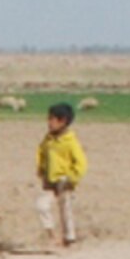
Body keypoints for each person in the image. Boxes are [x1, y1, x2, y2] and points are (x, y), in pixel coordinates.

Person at [34, 100, 85, 247]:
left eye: (52, 119)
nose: (49, 122)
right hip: (50, 180)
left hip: (64, 180)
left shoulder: (70, 142)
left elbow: (81, 163)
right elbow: (41, 152)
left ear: (63, 121)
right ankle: (51, 236)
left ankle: (70, 238)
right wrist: (41, 170)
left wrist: (72, 178)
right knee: (41, 205)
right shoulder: (48, 139)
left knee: (66, 210)